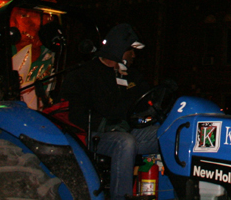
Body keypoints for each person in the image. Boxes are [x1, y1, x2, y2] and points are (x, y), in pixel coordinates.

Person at [61, 23, 159, 200]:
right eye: (131, 50)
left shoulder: (133, 76)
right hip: (95, 135)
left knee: (172, 133)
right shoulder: (85, 74)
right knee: (125, 142)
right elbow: (77, 114)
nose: (134, 55)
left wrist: (159, 100)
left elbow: (144, 103)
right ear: (119, 49)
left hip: (127, 129)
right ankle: (121, 197)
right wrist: (107, 124)